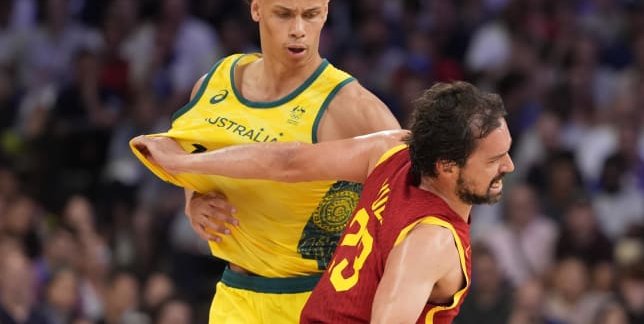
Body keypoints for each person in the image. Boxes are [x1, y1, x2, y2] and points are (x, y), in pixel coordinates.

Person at [131, 0, 400, 322]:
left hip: (317, 299)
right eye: (283, 14)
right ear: (256, 8)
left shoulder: (354, 107)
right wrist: (193, 203)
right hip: (235, 297)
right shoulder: (214, 83)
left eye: (311, 15)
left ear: (326, 10)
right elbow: (195, 149)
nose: (298, 31)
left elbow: (410, 204)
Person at [131, 81, 515, 323]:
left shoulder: (393, 149)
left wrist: (182, 163)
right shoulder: (432, 238)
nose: (509, 166)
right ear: (447, 167)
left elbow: (287, 160)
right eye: (495, 160)